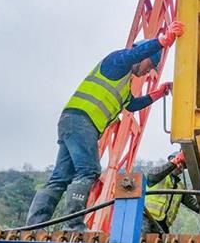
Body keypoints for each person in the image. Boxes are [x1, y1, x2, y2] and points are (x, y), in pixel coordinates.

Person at [25, 21, 184, 231]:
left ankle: (34, 226)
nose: (147, 72)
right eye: (149, 66)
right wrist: (162, 42)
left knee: (60, 178)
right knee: (89, 170)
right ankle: (73, 225)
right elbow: (131, 56)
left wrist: (158, 92)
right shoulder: (116, 61)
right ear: (142, 55)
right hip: (82, 121)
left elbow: (133, 105)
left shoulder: (123, 85)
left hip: (73, 123)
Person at [143, 151, 200, 234]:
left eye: (183, 167)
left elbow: (192, 203)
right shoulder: (157, 174)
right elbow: (153, 176)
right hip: (147, 218)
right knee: (141, 242)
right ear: (171, 160)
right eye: (180, 165)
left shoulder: (180, 187)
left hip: (162, 226)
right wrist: (175, 161)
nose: (181, 169)